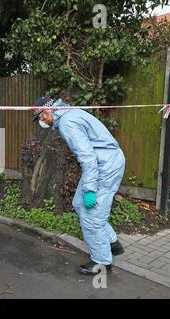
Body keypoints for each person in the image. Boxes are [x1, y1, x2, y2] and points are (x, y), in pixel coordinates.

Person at [33, 95, 126, 276]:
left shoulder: (67, 122)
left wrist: (90, 189)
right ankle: (113, 243)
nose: (41, 121)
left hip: (104, 165)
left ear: (46, 111)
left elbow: (87, 157)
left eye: (40, 117)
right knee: (78, 203)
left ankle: (102, 262)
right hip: (103, 161)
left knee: (92, 218)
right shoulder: (69, 114)